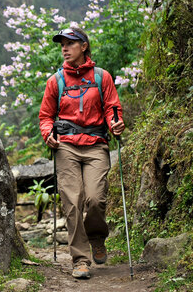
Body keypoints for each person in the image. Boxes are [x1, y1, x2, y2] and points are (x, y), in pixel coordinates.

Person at [39, 27, 125, 279]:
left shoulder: (101, 77)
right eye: (62, 44)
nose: (64, 48)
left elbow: (112, 109)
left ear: (84, 46)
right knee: (72, 201)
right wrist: (48, 134)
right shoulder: (55, 81)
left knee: (96, 199)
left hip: (96, 143)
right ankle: (80, 259)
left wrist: (115, 124)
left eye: (70, 43)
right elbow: (46, 117)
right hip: (65, 145)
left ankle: (97, 237)